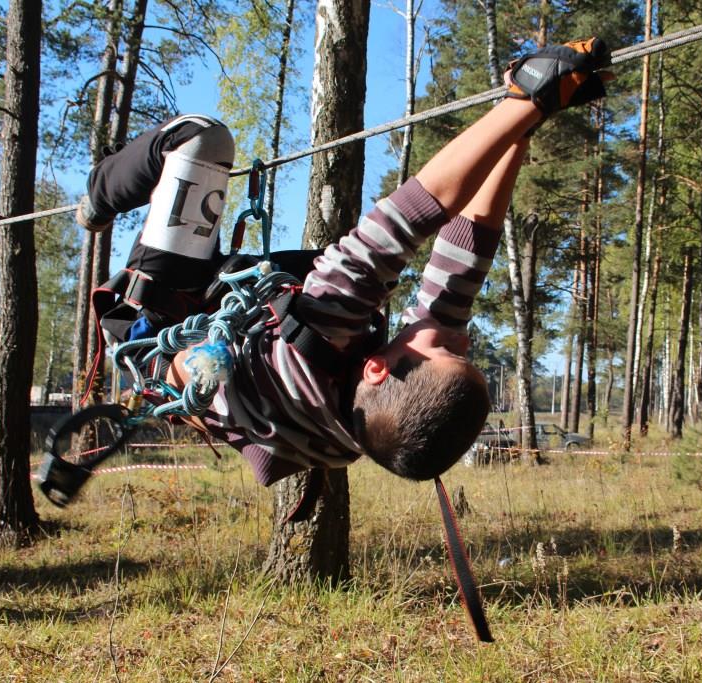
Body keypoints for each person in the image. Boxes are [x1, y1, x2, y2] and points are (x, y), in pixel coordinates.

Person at [79, 38, 612, 487]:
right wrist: (523, 129)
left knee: (201, 137)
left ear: (377, 369)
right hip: (230, 327)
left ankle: (96, 201)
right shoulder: (374, 412)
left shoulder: (320, 336)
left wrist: (526, 100)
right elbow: (465, 248)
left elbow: (412, 215)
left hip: (160, 320)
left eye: (449, 349)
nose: (462, 340)